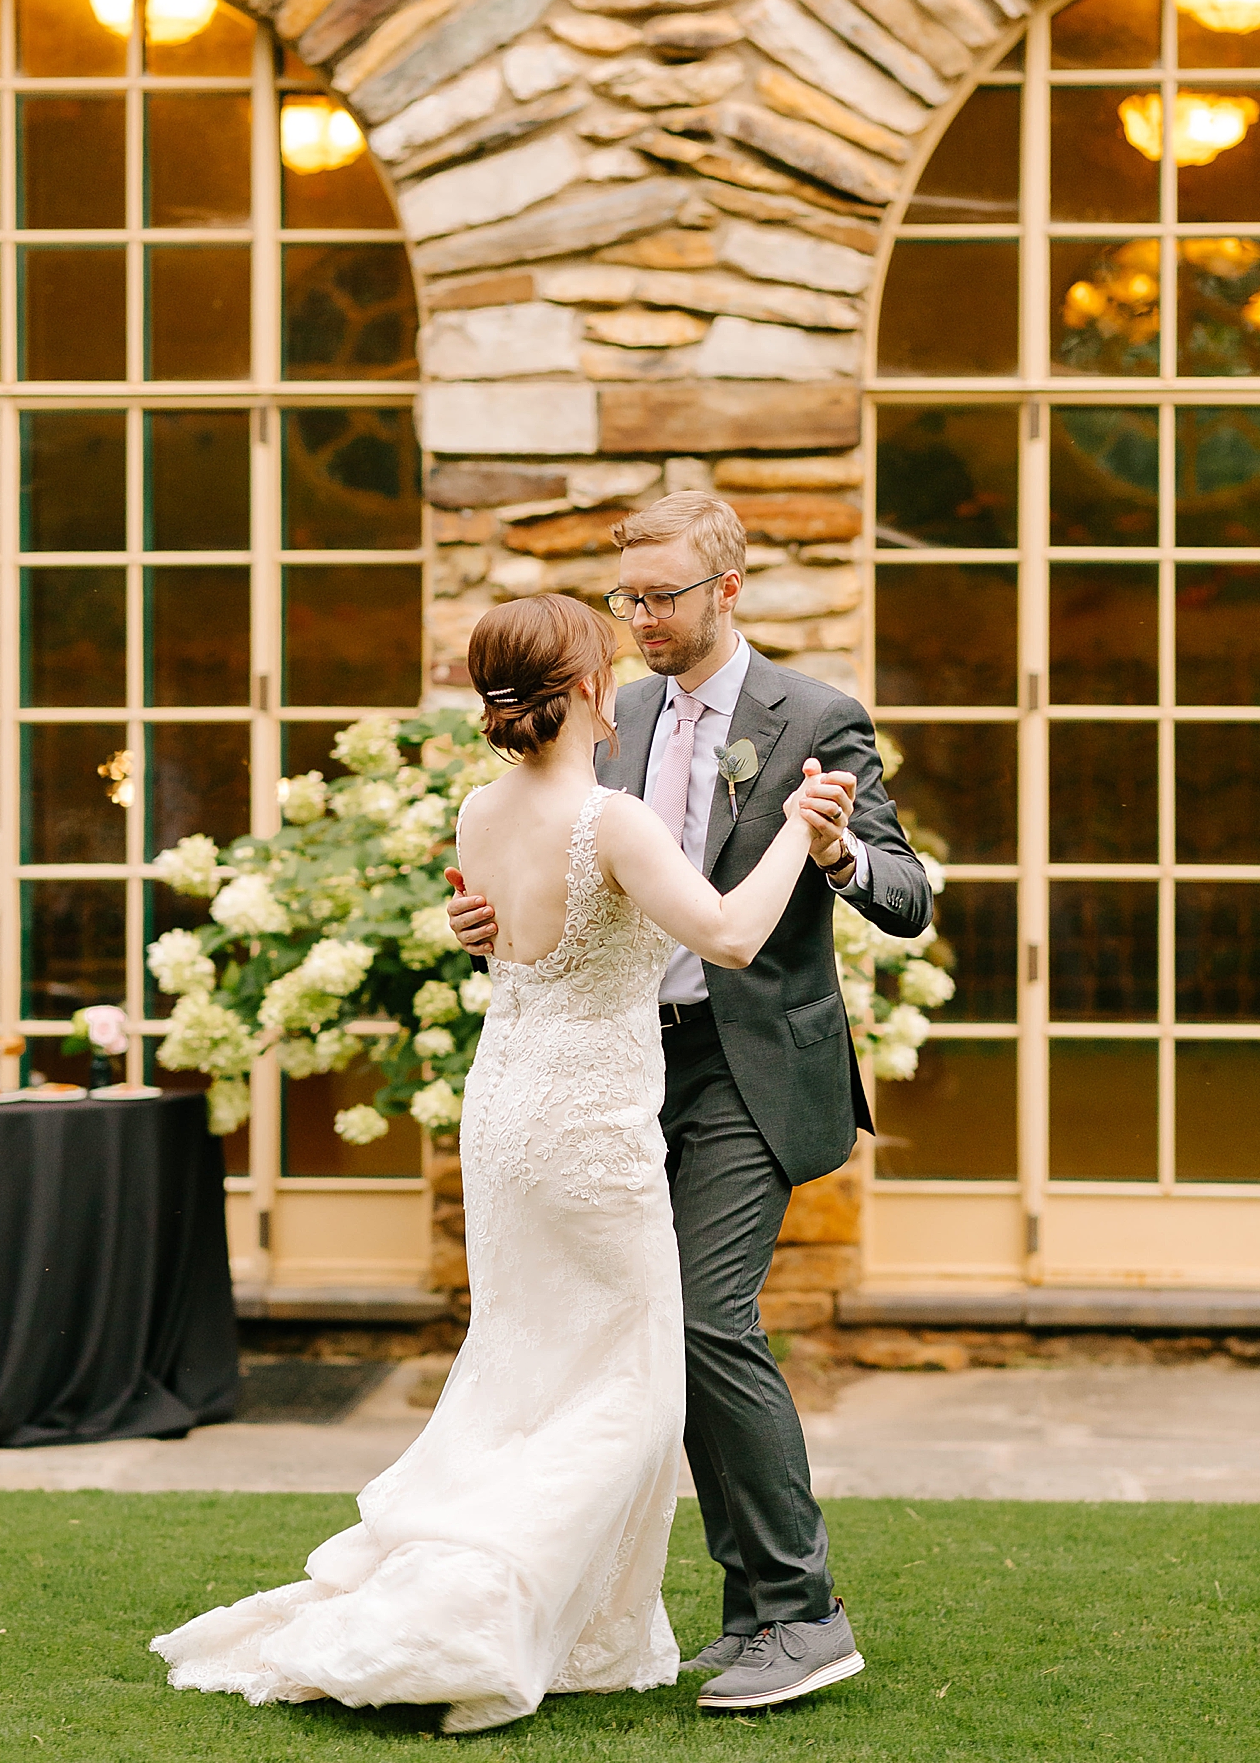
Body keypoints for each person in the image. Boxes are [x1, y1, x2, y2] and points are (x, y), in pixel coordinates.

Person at [152, 591, 853, 1735]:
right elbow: (725, 934)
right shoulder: (613, 819)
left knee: (526, 1362)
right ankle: (489, 1608)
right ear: (584, 691)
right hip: (586, 1125)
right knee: (623, 1385)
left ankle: (547, 1602)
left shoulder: (479, 809)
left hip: (507, 1110)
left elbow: (494, 934)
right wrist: (798, 826)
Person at [447, 493, 933, 1713]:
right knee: (653, 1331)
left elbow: (905, 892)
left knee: (707, 1317)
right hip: (615, 1066)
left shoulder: (814, 716)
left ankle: (804, 1612)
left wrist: (830, 856)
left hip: (746, 1067)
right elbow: (578, 879)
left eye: (661, 596)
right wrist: (484, 930)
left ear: (727, 590)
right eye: (627, 599)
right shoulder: (612, 717)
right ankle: (749, 1609)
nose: (641, 620)